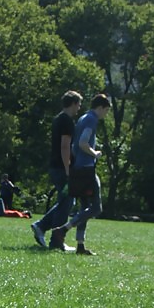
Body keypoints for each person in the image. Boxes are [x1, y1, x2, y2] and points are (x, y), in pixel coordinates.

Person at [30, 90, 82, 252]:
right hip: (61, 167)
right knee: (67, 202)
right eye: (78, 104)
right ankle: (56, 240)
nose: (79, 108)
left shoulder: (58, 118)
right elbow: (65, 146)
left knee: (66, 201)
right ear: (73, 103)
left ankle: (41, 226)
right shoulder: (66, 121)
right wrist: (68, 169)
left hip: (55, 166)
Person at [64, 93, 112, 256]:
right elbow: (83, 142)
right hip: (87, 168)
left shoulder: (82, 118)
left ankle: (80, 245)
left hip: (78, 167)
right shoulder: (91, 119)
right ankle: (64, 229)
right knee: (96, 208)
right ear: (100, 107)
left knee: (84, 207)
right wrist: (95, 154)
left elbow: (74, 147)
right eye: (106, 110)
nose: (106, 114)